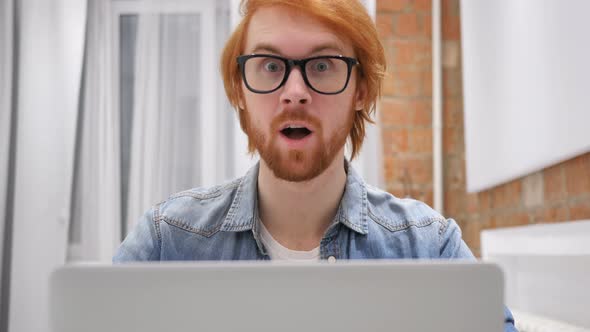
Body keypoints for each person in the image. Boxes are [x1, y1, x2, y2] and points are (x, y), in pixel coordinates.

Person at [113, 0, 517, 330]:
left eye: (322, 66)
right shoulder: (168, 242)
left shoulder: (430, 248)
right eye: (270, 66)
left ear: (360, 89)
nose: (295, 93)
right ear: (239, 89)